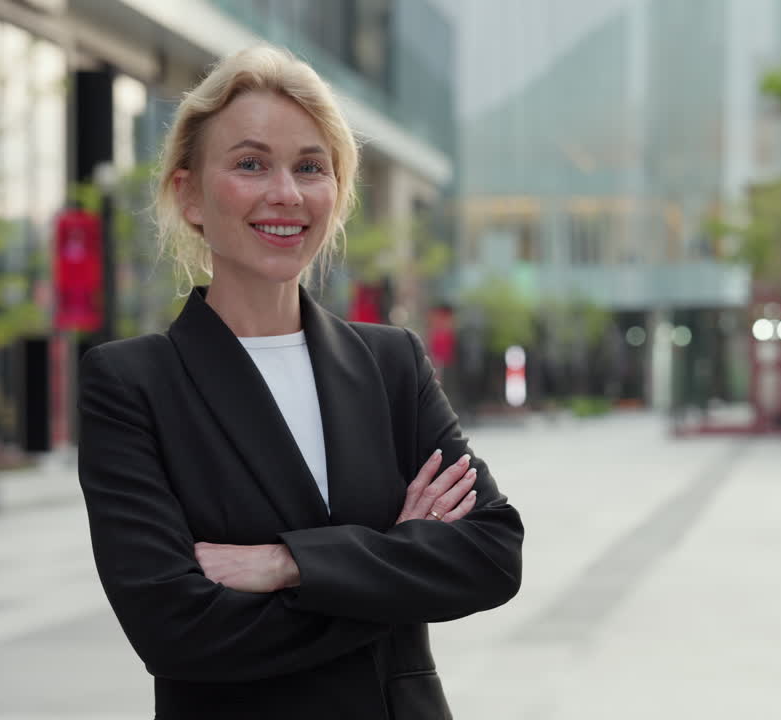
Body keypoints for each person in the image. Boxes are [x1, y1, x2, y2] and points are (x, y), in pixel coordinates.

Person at [76, 46, 523, 719]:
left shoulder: (390, 363)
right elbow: (176, 631)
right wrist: (396, 563)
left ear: (337, 192)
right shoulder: (133, 384)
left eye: (310, 167)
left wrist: (289, 565)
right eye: (251, 163)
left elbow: (492, 554)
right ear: (188, 192)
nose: (285, 193)